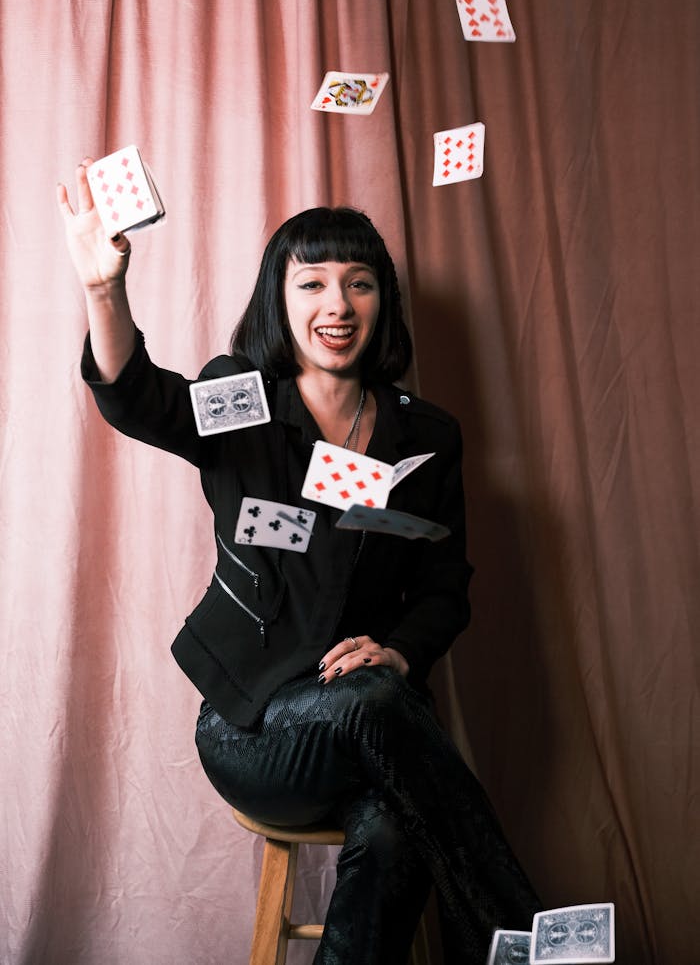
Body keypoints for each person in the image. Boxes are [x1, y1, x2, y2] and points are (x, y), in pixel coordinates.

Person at [57, 160, 541, 965]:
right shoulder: (242, 398)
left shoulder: (428, 435)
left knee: (395, 826)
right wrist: (104, 291)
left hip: (380, 727)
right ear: (278, 301)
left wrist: (400, 651)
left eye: (359, 284)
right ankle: (522, 932)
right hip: (254, 728)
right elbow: (143, 400)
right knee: (377, 704)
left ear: (383, 302)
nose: (338, 305)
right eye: (312, 283)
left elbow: (444, 589)